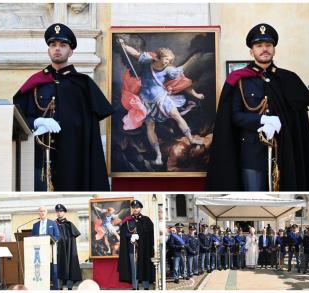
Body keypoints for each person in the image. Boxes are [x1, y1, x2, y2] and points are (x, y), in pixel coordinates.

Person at [206, 23, 309, 191]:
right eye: (259, 46)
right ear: (252, 51)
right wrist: (262, 119)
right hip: (252, 154)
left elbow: (298, 120)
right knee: (254, 197)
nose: (264, 49)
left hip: (284, 152)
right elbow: (234, 116)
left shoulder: (288, 79)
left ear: (274, 49)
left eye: (268, 45)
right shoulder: (239, 80)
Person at [13, 23, 113, 191]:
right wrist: (36, 122)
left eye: (63, 45)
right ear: (48, 50)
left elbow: (90, 128)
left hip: (74, 159)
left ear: (71, 51)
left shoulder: (83, 84)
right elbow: (17, 117)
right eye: (53, 45)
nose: (57, 49)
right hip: (40, 159)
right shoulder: (36, 82)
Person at [117, 39, 205, 165]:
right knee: (150, 126)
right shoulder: (147, 61)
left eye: (170, 61)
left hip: (162, 99)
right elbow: (135, 54)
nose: (168, 62)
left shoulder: (169, 70)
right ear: (158, 57)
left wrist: (196, 94)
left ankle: (191, 139)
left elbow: (183, 82)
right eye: (166, 59)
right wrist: (123, 45)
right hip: (146, 102)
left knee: (177, 116)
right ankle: (158, 156)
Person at [118, 200, 155, 290]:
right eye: (133, 207)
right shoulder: (127, 220)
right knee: (134, 268)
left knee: (145, 266)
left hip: (144, 249)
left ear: (140, 208)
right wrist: (131, 235)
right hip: (132, 249)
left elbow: (150, 234)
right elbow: (123, 233)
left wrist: (141, 237)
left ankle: (146, 287)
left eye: (137, 207)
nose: (135, 209)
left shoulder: (146, 220)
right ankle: (135, 287)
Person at [32, 206, 61, 290]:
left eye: (43, 211)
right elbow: (33, 237)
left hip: (50, 249)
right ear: (38, 213)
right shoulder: (35, 225)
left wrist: (51, 240)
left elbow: (58, 236)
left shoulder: (52, 223)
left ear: (46, 212)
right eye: (40, 211)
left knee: (54, 271)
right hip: (39, 251)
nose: (42, 213)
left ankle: (55, 288)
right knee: (41, 270)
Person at [54, 204, 82, 290]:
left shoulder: (69, 224)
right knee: (58, 265)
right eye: (57, 211)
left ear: (64, 212)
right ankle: (59, 284)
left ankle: (69, 283)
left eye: (61, 211)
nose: (59, 213)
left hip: (67, 249)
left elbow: (72, 238)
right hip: (57, 249)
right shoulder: (53, 224)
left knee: (69, 263)